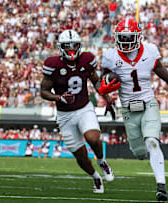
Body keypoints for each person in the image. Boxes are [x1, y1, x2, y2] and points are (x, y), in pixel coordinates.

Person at [98, 18, 168, 201]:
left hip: (148, 103)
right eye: (122, 38)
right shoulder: (110, 56)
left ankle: (161, 186)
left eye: (129, 37)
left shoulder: (149, 51)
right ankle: (143, 156)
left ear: (138, 37)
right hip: (128, 108)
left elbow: (165, 75)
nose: (125, 41)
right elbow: (104, 81)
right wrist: (106, 95)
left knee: (152, 141)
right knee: (139, 151)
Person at [40, 29, 115, 193]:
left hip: (84, 108)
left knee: (93, 138)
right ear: (61, 47)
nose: (72, 48)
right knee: (80, 156)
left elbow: (95, 81)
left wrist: (107, 97)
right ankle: (96, 177)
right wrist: (58, 98)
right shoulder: (52, 65)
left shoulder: (87, 60)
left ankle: (102, 161)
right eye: (68, 46)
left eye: (74, 45)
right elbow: (43, 92)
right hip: (64, 115)